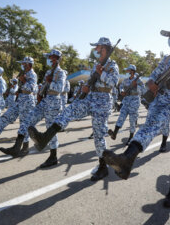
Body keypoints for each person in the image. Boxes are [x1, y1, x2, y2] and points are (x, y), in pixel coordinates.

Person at [101, 26, 170, 207]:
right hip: (164, 99)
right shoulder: (166, 59)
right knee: (150, 125)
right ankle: (127, 159)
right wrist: (151, 83)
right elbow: (153, 76)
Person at [28, 37, 119, 181]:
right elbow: (92, 81)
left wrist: (102, 73)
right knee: (68, 112)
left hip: (103, 101)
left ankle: (103, 167)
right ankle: (44, 137)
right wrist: (86, 87)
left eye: (98, 47)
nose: (95, 50)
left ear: (105, 48)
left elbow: (113, 82)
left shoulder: (112, 65)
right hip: (90, 98)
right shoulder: (97, 64)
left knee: (98, 135)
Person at [0, 49, 65, 166]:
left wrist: (51, 82)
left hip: (54, 102)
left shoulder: (61, 73)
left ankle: (53, 156)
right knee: (27, 121)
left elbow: (60, 88)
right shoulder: (48, 72)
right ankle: (17, 147)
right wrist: (40, 94)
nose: (51, 60)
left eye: (53, 58)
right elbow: (44, 85)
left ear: (58, 59)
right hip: (44, 101)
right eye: (50, 58)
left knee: (50, 130)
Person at [108, 64, 145, 145]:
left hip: (134, 102)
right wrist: (122, 91)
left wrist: (136, 86)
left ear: (132, 71)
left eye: (128, 70)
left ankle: (131, 137)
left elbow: (143, 90)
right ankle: (114, 133)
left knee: (132, 120)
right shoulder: (125, 80)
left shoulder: (139, 80)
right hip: (126, 101)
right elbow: (121, 86)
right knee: (121, 117)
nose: (127, 71)